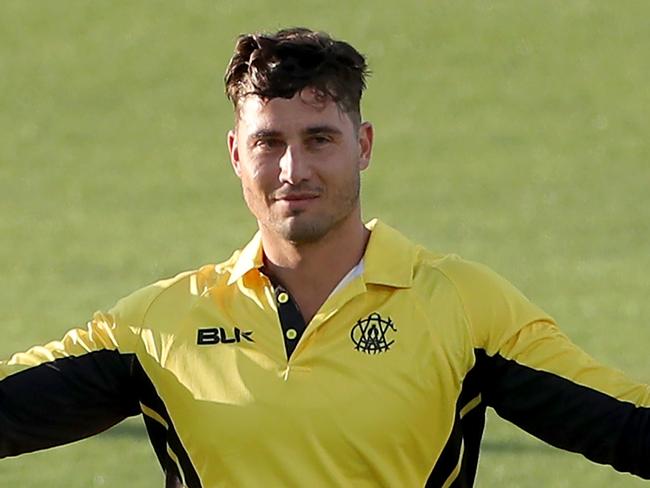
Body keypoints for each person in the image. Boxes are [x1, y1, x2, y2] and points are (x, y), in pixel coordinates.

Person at [1, 27, 648, 488]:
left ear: (362, 145)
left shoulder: (463, 306)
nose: (292, 169)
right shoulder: (159, 324)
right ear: (235, 154)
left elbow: (624, 427)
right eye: (268, 142)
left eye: (319, 139)